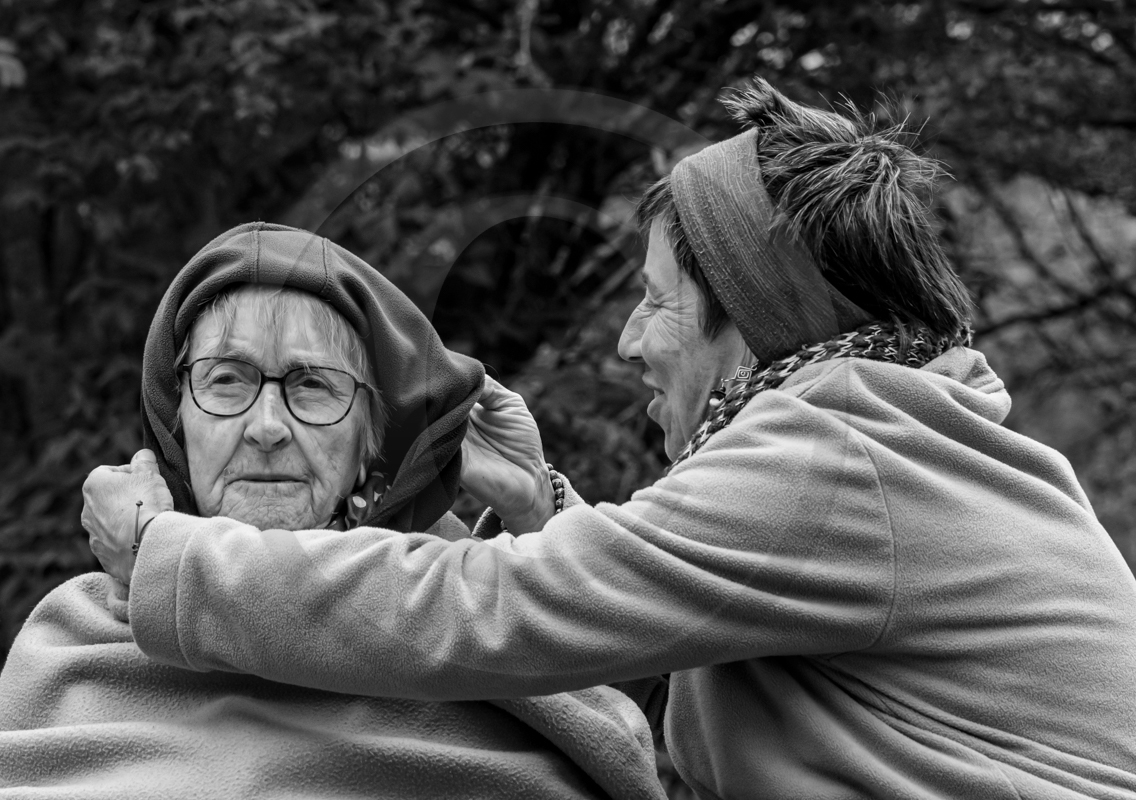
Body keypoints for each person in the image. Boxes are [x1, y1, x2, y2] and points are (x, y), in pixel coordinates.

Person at [70, 81, 1136, 799]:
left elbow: (485, 611)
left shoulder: (843, 455)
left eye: (657, 303)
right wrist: (539, 510)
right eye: (226, 380)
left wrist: (169, 560)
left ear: (755, 319)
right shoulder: (893, 445)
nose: (629, 341)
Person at [0, 223, 665, 800]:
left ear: (369, 441)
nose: (265, 426)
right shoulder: (79, 637)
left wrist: (535, 509)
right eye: (227, 380)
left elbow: (604, 737)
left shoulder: (458, 606)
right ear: (175, 423)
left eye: (313, 386)